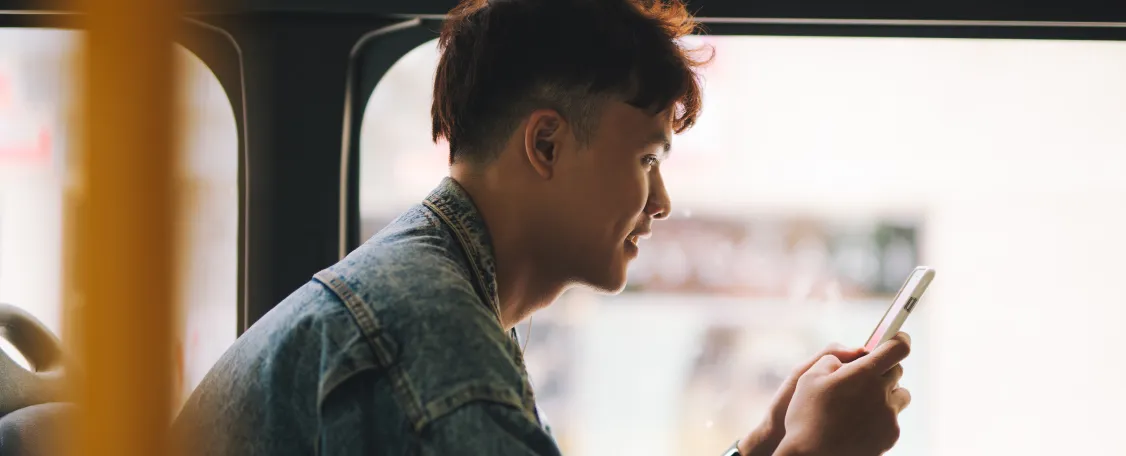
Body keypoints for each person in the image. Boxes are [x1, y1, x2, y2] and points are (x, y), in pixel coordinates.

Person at [172, 0, 913, 455]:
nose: (660, 202)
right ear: (547, 145)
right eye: (648, 158)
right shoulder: (430, 343)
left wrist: (761, 448)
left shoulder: (435, 303)